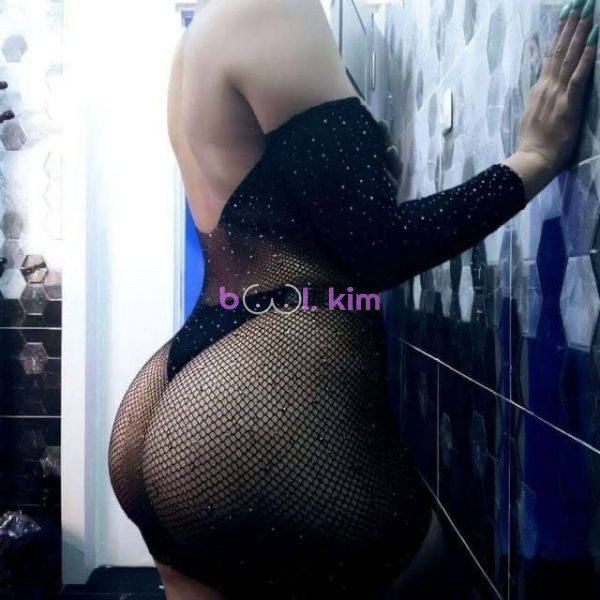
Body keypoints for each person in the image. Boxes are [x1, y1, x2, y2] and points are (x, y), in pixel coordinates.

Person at [107, 1, 598, 598]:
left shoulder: (196, 41)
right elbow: (377, 247)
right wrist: (532, 161)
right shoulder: (272, 8)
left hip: (169, 395)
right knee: (430, 575)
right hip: (245, 394)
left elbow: (293, 222)